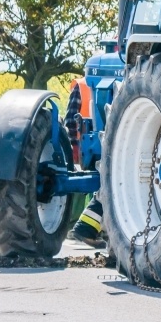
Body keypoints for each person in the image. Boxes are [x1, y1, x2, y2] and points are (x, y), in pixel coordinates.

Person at [63, 79, 105, 249]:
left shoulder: (82, 85)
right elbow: (72, 121)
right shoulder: (83, 86)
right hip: (86, 143)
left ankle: (84, 227)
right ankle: (75, 225)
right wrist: (74, 146)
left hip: (93, 142)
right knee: (85, 187)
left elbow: (70, 119)